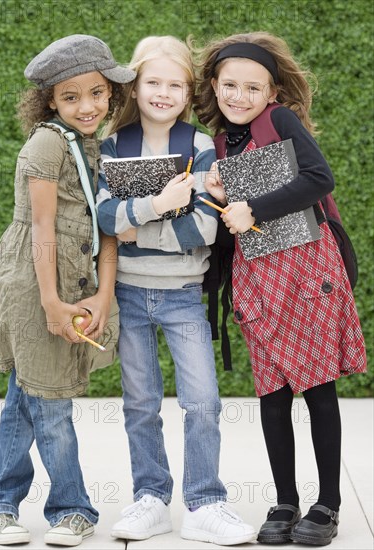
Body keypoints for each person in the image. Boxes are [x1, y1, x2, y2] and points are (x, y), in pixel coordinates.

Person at [195, 31, 367, 546]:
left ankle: (328, 504)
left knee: (317, 388)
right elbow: (228, 221)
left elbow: (319, 178)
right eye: (230, 85)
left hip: (305, 265)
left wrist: (255, 208)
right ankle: (285, 500)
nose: (239, 96)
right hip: (257, 273)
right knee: (272, 391)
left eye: (253, 87)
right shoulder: (217, 144)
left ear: (271, 92)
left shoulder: (280, 122)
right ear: (215, 85)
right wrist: (219, 197)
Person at [96, 35, 256, 546]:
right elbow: (102, 217)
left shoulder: (201, 145)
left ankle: (206, 502)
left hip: (185, 294)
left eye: (174, 84)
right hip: (128, 294)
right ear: (135, 86)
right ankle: (150, 499)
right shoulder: (111, 145)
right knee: (140, 403)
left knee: (203, 402)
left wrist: (136, 223)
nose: (163, 92)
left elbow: (204, 231)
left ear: (188, 92)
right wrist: (164, 203)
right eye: (153, 82)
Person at [0, 35, 135, 547]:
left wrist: (104, 294)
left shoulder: (99, 143)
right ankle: (73, 508)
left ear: (110, 91)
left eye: (96, 93)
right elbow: (42, 228)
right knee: (49, 402)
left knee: (28, 396)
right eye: (71, 97)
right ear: (51, 100)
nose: (87, 106)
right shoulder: (48, 142)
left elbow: (106, 227)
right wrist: (50, 301)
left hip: (73, 276)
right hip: (35, 278)